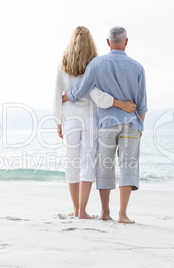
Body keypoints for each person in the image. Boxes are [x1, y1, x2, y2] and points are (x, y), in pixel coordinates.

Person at [63, 26, 147, 223]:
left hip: (107, 124)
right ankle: (123, 214)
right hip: (131, 123)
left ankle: (105, 211)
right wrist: (140, 126)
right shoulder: (137, 67)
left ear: (108, 42)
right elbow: (142, 104)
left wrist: (65, 98)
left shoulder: (97, 64)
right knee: (128, 167)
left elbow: (81, 90)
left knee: (104, 167)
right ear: (126, 42)